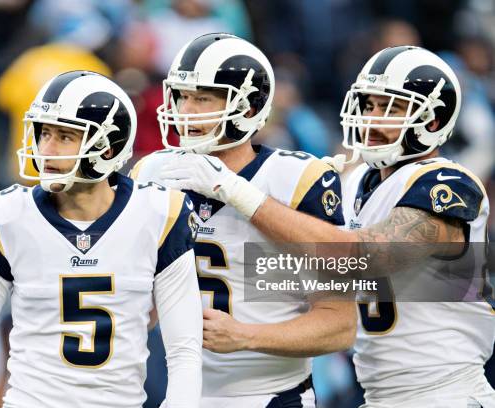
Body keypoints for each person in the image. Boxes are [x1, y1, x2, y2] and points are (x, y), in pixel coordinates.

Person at [162, 45, 495, 407]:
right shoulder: (355, 184)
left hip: (447, 392)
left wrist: (237, 190)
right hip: (380, 394)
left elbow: (366, 258)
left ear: (433, 121)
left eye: (391, 109)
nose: (372, 118)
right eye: (369, 105)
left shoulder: (448, 182)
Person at [0, 71, 203, 407]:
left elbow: (184, 352)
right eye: (44, 133)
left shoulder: (161, 214)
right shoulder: (7, 215)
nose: (46, 148)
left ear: (108, 146)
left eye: (65, 136)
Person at [131, 33, 357, 408]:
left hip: (271, 396)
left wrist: (247, 335)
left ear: (249, 108)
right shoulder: (152, 172)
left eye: (202, 98)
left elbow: (340, 325)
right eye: (182, 96)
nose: (186, 110)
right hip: (181, 395)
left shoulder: (295, 177)